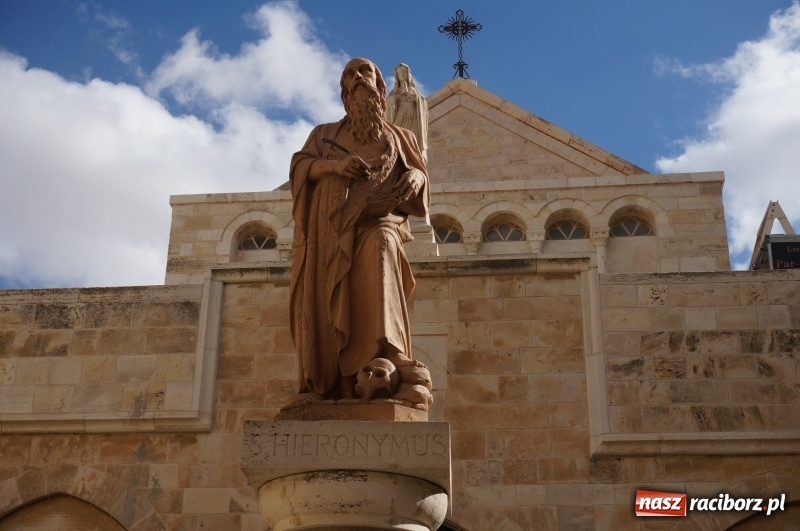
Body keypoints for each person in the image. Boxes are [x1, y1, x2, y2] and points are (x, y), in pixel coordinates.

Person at [289, 58, 429, 400]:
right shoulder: (325, 134)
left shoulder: (401, 137)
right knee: (327, 292)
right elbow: (301, 166)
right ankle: (332, 376)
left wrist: (415, 176)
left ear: (380, 87)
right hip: (332, 229)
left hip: (379, 220)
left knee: (382, 243)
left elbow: (420, 176)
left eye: (364, 72)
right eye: (349, 75)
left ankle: (388, 353)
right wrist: (337, 166)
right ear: (344, 92)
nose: (357, 79)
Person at [385, 63, 429, 161]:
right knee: (397, 136)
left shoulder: (413, 90)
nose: (402, 74)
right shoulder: (394, 91)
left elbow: (422, 103)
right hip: (399, 116)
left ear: (408, 74)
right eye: (400, 72)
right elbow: (388, 104)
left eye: (404, 72)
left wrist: (408, 93)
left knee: (411, 138)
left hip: (412, 117)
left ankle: (412, 155)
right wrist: (394, 98)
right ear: (396, 75)